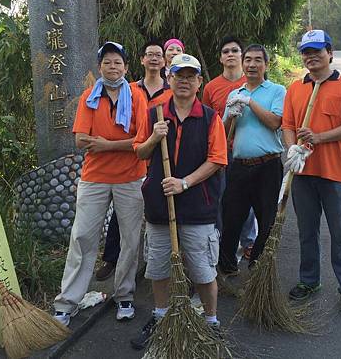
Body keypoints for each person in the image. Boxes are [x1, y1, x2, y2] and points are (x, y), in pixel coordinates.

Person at [130, 53, 227, 350]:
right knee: (159, 267)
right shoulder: (154, 114)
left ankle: (211, 321)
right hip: (160, 206)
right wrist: (153, 138)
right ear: (169, 79)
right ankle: (160, 317)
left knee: (202, 269)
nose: (184, 81)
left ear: (199, 82)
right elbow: (139, 152)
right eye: (178, 76)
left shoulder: (210, 117)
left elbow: (217, 160)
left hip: (199, 206)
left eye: (190, 76)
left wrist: (184, 183)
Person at [54, 41, 147, 325]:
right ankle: (67, 302)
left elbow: (142, 142)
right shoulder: (89, 97)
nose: (113, 66)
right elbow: (81, 140)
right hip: (94, 177)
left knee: (131, 240)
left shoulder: (137, 97)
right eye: (107, 62)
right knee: (82, 237)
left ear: (127, 67)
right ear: (99, 67)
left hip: (131, 177)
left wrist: (105, 144)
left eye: (118, 62)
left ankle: (125, 295)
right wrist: (120, 144)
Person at [282, 29, 341, 316]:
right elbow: (288, 125)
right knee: (307, 231)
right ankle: (309, 281)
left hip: (334, 174)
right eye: (306, 52)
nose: (311, 57)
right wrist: (293, 148)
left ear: (329, 52)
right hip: (303, 174)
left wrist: (319, 137)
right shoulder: (296, 88)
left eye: (317, 51)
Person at [95, 40, 173, 281]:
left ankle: (156, 261)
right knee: (122, 215)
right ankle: (111, 258)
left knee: (160, 211)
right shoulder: (129, 89)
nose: (153, 59)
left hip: (162, 159)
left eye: (158, 55)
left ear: (163, 61)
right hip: (132, 161)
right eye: (149, 54)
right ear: (141, 60)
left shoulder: (172, 90)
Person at [218, 44, 286, 275]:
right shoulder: (234, 94)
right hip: (239, 166)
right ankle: (226, 267)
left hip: (268, 165)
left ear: (266, 65)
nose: (252, 64)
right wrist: (231, 115)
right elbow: (224, 133)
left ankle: (257, 267)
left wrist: (250, 103)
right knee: (230, 218)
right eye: (248, 60)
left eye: (258, 60)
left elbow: (275, 122)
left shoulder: (277, 91)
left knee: (266, 220)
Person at [202, 36, 257, 258]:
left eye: (235, 50)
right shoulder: (211, 87)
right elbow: (206, 121)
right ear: (221, 58)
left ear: (242, 56)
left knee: (246, 199)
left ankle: (248, 241)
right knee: (221, 197)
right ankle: (222, 240)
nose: (230, 54)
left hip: (246, 151)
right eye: (226, 51)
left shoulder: (252, 84)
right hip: (221, 150)